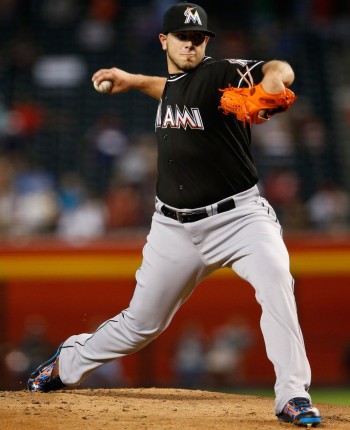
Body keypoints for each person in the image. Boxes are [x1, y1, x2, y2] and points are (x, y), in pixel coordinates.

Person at [27, 2, 322, 427]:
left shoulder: (220, 74)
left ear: (207, 42)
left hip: (239, 219)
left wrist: (274, 79)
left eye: (199, 37)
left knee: (276, 278)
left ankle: (293, 395)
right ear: (164, 40)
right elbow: (169, 89)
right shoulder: (176, 84)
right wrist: (131, 80)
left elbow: (279, 67)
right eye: (183, 36)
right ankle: (69, 360)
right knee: (140, 326)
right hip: (173, 228)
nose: (191, 43)